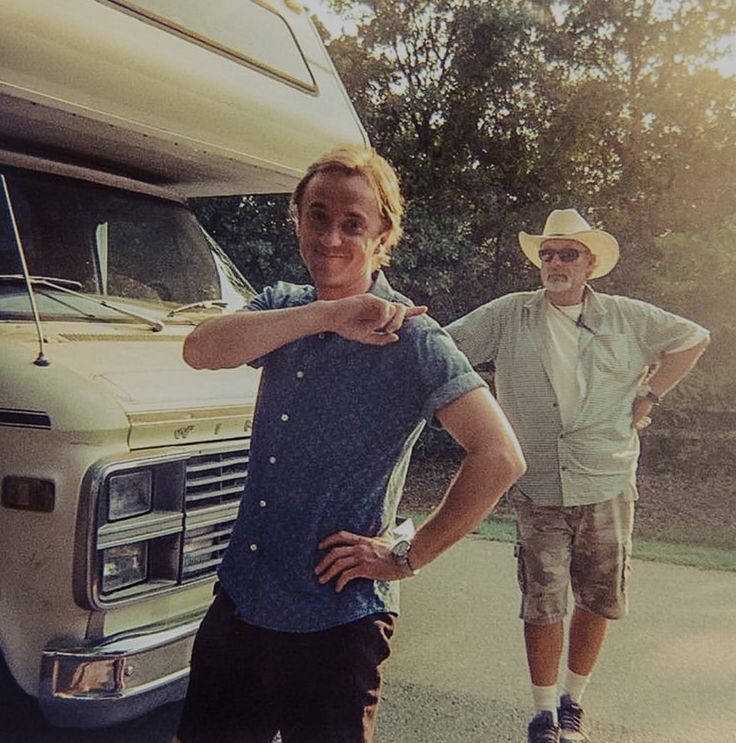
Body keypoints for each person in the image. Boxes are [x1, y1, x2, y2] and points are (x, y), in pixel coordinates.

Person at [171, 145, 526, 743]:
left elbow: (500, 457)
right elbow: (200, 349)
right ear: (298, 219)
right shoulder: (282, 307)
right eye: (318, 216)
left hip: (336, 621)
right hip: (241, 602)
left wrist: (408, 556)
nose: (331, 236)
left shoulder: (414, 339)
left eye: (353, 223)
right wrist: (326, 316)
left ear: (383, 234)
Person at [446, 208, 710, 743]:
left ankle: (573, 705)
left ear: (590, 264)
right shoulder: (508, 315)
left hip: (608, 479)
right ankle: (543, 714)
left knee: (598, 597)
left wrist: (651, 391)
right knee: (542, 601)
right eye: (547, 254)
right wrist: (474, 414)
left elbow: (693, 338)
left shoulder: (627, 317)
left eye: (568, 254)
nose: (555, 263)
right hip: (538, 483)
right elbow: (442, 352)